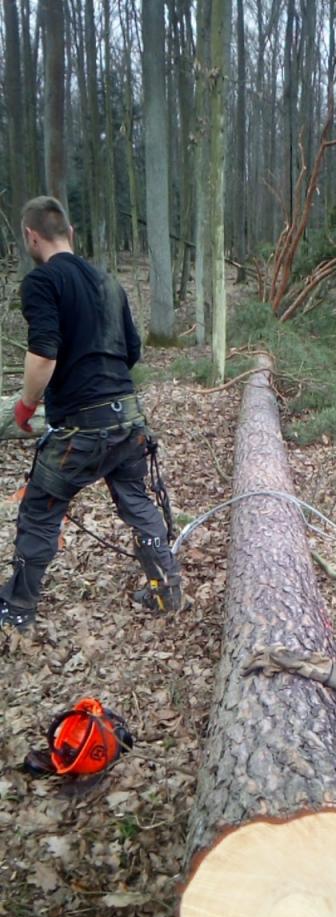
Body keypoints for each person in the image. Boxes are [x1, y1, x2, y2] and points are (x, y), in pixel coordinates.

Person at [0, 196, 181, 632]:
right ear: (71, 233)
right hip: (130, 419)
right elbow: (132, 351)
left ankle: (16, 610)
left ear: (31, 236)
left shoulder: (42, 283)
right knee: (136, 500)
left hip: (81, 429)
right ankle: (166, 591)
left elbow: (44, 354)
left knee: (40, 510)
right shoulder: (108, 282)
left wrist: (26, 407)